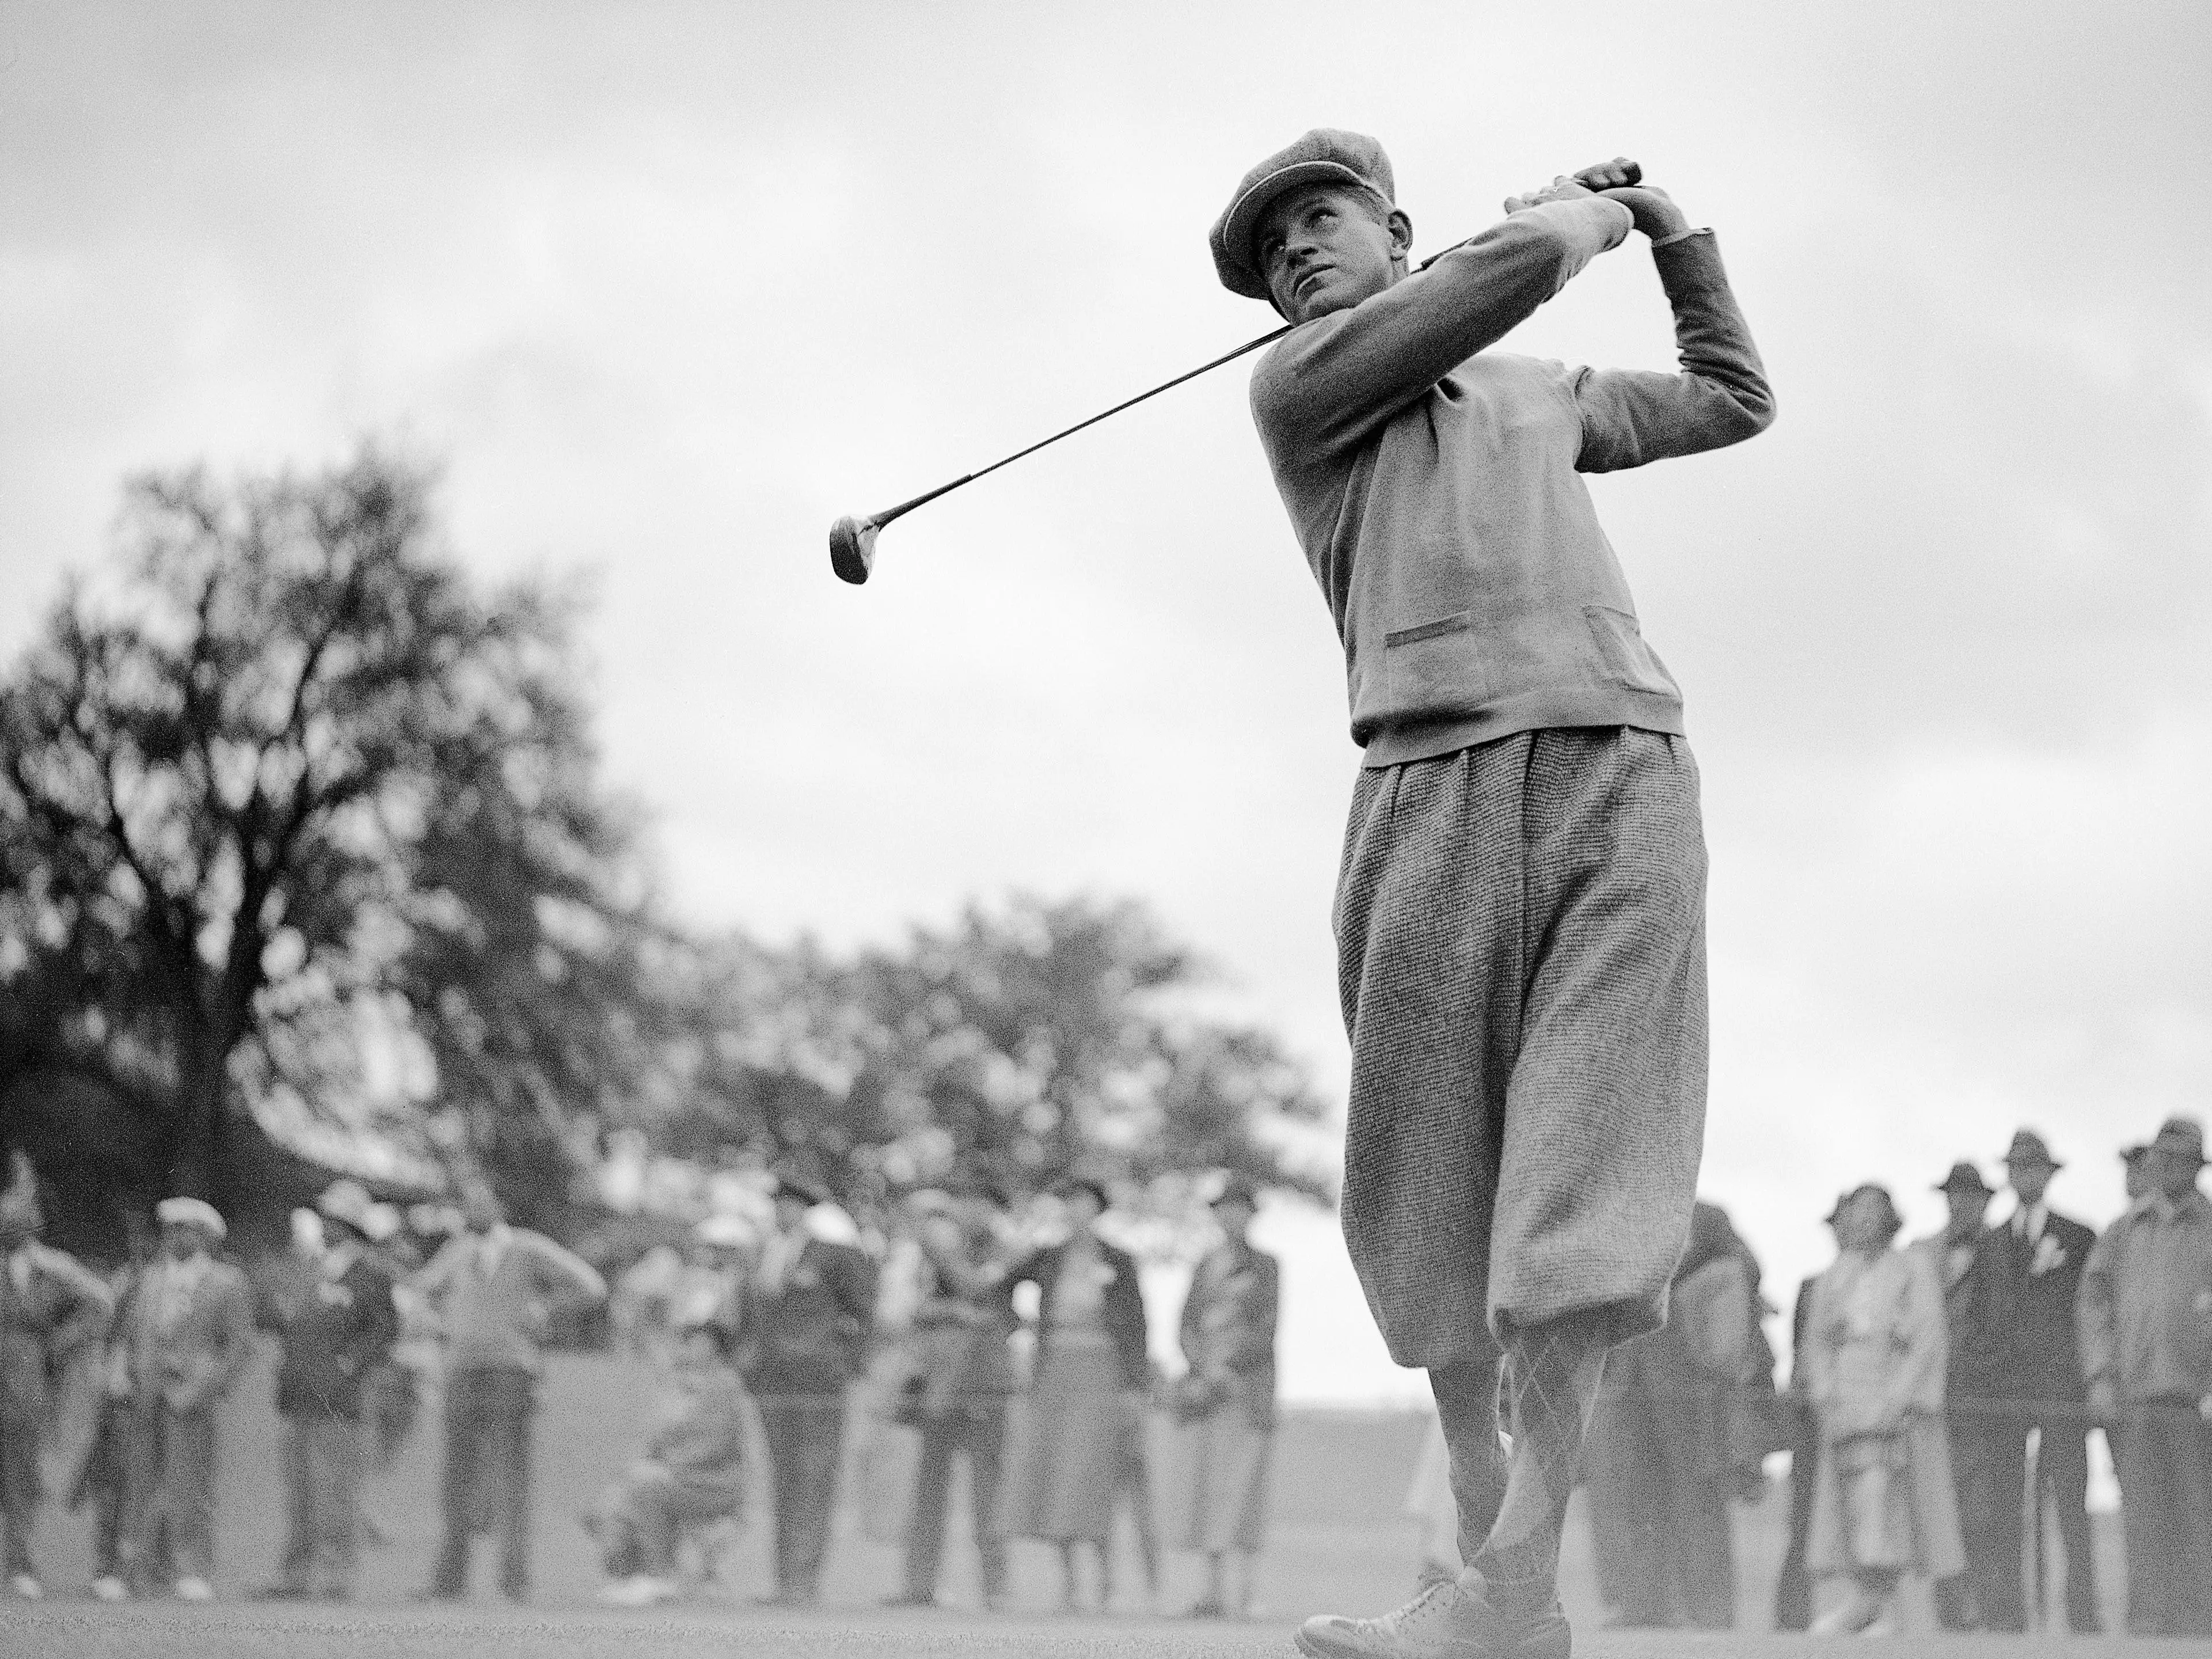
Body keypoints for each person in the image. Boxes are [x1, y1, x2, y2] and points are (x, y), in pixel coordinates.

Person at [1209, 127, 1773, 1659]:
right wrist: (1570, 221)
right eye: (1272, 255)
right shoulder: (1303, 389)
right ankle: (1487, 1560)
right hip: (1426, 793)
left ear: (1392, 229)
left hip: (1622, 773)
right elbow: (1505, 277)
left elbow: (1734, 397)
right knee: (1433, 1212)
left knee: (1575, 1208)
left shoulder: (1537, 392)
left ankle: (1510, 1585)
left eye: (1322, 222)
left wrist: (1668, 227)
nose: (1298, 256)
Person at [411, 1178, 606, 1603]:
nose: (472, 1210)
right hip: (462, 1368)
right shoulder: (458, 1251)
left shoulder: (527, 1247)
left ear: (500, 1204)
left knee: (510, 1478)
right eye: (468, 1202)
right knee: (457, 1479)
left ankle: (514, 1582)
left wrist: (545, 1308)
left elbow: (590, 1285)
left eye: (481, 1201)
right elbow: (418, 1291)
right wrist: (439, 1321)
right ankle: (450, 1581)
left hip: (510, 1371)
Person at [1582, 1198, 1772, 1630]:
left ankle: (1709, 1611)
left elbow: (1742, 1289)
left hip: (1694, 1397)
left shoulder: (1709, 1241)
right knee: (1635, 1499)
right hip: (1636, 1393)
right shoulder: (1624, 1232)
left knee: (1697, 1499)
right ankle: (1645, 1606)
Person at [1804, 1183, 1965, 1636]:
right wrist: (1825, 1395)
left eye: (1875, 1211)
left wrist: (1897, 1400)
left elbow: (1929, 1337)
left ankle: (1886, 1607)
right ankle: (1866, 1603)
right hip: (1844, 1398)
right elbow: (1816, 1342)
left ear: (1890, 1217)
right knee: (1849, 1502)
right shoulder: (1834, 1275)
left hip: (1895, 1398)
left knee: (1890, 1501)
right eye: (1856, 1211)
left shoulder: (1912, 1268)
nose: (1864, 1220)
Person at [2076, 1114, 2212, 1637]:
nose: (2172, 1169)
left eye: (2184, 1160)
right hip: (2134, 1399)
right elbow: (2093, 1303)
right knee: (2142, 1515)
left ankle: (2199, 1624)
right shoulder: (2122, 1230)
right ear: (2153, 1164)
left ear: (2197, 1167)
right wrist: (2100, 1376)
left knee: (2197, 1515)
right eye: (2165, 1159)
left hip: (2195, 1402)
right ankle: (2148, 1622)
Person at [726, 1171, 876, 1608]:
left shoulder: (834, 1255)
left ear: (805, 1209)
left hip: (819, 1383)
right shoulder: (766, 1255)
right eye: (779, 1203)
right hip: (775, 1382)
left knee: (814, 1478)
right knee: (784, 1479)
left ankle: (805, 1579)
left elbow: (862, 1312)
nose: (782, 1210)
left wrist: (845, 1364)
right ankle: (785, 1578)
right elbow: (753, 1316)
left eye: (790, 1203)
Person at [1003, 1176, 1149, 1613]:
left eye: (1083, 1202)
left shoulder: (1118, 1259)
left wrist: (1133, 1386)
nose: (1075, 1210)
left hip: (1102, 1371)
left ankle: (1106, 1585)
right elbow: (1000, 1283)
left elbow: (1137, 1324)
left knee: (1094, 1473)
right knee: (1055, 1473)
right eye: (1068, 1202)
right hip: (1054, 1371)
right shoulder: (1048, 1255)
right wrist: (1024, 1324)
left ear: (1097, 1207)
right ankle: (1069, 1587)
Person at [254, 1180, 399, 1603]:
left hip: (341, 1400)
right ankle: (297, 1574)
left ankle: (338, 1576)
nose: (324, 1225)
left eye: (333, 1219)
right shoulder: (308, 1268)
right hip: (299, 1394)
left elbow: (385, 1329)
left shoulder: (370, 1273)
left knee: (337, 1489)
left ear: (349, 1225)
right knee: (299, 1488)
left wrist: (350, 1365)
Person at [1983, 1129, 2099, 1632]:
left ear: (2048, 1175)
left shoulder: (2078, 1236)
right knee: (2004, 1504)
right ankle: (2009, 1615)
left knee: (2072, 1504)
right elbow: (1985, 1320)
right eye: (2018, 1167)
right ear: (2009, 1175)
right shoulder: (1991, 1243)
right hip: (2006, 1394)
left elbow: (2087, 1312)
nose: (2025, 1175)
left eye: (2034, 1167)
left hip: (2061, 1390)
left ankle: (2082, 1615)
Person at [113, 1196, 255, 1602]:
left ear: (207, 1236)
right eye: (172, 1229)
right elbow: (129, 1333)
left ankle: (192, 1568)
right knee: (139, 1482)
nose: (178, 1237)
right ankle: (134, 1569)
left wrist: (206, 1387)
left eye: (188, 1229)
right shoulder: (149, 1278)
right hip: (145, 1393)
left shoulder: (227, 1281)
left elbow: (240, 1346)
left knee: (189, 1484)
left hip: (192, 1396)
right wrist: (124, 1375)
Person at [891, 1175, 1018, 1611]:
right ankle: (919, 1585)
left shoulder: (1004, 1249)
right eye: (970, 1200)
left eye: (984, 1203)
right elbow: (916, 1308)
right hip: (940, 1384)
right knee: (930, 1485)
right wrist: (957, 1311)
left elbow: (979, 1289)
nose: (974, 1210)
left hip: (986, 1384)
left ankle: (996, 1588)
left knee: (989, 1488)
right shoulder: (934, 1253)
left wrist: (951, 1276)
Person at [0, 1170, 115, 1599]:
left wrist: (60, 1342)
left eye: (22, 1220)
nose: (12, 1226)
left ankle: (19, 1564)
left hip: (26, 1378)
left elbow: (101, 1302)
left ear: (36, 1226)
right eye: (6, 1218)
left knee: (21, 1474)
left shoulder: (52, 1266)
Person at [1170, 1175, 1280, 1619]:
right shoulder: (1205, 1264)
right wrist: (1204, 1367)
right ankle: (1210, 1591)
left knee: (1244, 1488)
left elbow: (1266, 1329)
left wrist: (1229, 1367)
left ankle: (1245, 1593)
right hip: (1208, 1396)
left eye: (1239, 1207)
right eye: (1224, 1208)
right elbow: (1186, 1325)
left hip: (1246, 1394)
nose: (1231, 1216)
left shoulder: (1266, 1265)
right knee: (1207, 1489)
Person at [586, 1317, 749, 1606]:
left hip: (714, 1486)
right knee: (616, 1498)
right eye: (687, 1341)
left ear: (713, 1347)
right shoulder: (676, 1391)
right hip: (675, 1480)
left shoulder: (724, 1386)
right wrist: (646, 1468)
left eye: (698, 1341)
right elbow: (655, 1443)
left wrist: (665, 1469)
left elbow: (714, 1446)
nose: (689, 1349)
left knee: (648, 1487)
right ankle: (628, 1576)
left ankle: (659, 1577)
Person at [1919, 1160, 2011, 1630]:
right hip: (1935, 1400)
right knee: (1941, 1503)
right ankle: (1949, 1610)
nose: (1962, 1202)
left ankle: (1986, 1608)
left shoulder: (2002, 1249)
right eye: (1954, 1194)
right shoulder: (1922, 1252)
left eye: (1971, 1195)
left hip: (1985, 1400)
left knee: (1983, 1506)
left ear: (1986, 1201)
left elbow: (2007, 1325)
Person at [1770, 1200, 1844, 1633]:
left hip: (1863, 1416)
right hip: (1813, 1423)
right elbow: (1801, 1357)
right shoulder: (1813, 1285)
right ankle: (1791, 1619)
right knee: (1803, 1519)